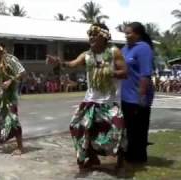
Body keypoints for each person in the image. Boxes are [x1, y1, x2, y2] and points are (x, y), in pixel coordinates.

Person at [47, 23, 127, 171]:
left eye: (94, 34)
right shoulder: (87, 55)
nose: (90, 37)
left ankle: (120, 160)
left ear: (104, 36)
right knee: (77, 126)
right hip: (90, 100)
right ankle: (92, 158)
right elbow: (72, 64)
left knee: (116, 130)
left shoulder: (114, 51)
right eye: (89, 34)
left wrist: (109, 72)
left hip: (110, 101)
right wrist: (59, 62)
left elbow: (124, 73)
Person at [121, 22, 155, 164]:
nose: (126, 36)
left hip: (137, 97)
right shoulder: (124, 49)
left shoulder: (143, 49)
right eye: (125, 33)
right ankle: (129, 156)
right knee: (128, 129)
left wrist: (141, 95)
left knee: (138, 130)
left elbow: (145, 74)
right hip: (124, 96)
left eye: (129, 33)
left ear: (138, 34)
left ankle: (139, 159)